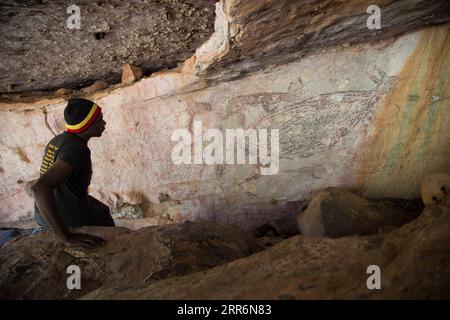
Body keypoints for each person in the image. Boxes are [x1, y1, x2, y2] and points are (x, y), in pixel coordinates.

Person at [31, 98, 114, 248]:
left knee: (103, 210)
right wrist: (66, 237)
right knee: (107, 231)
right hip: (67, 219)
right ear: (87, 125)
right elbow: (39, 188)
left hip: (43, 215)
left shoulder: (58, 140)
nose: (104, 123)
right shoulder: (77, 150)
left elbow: (65, 186)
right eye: (100, 120)